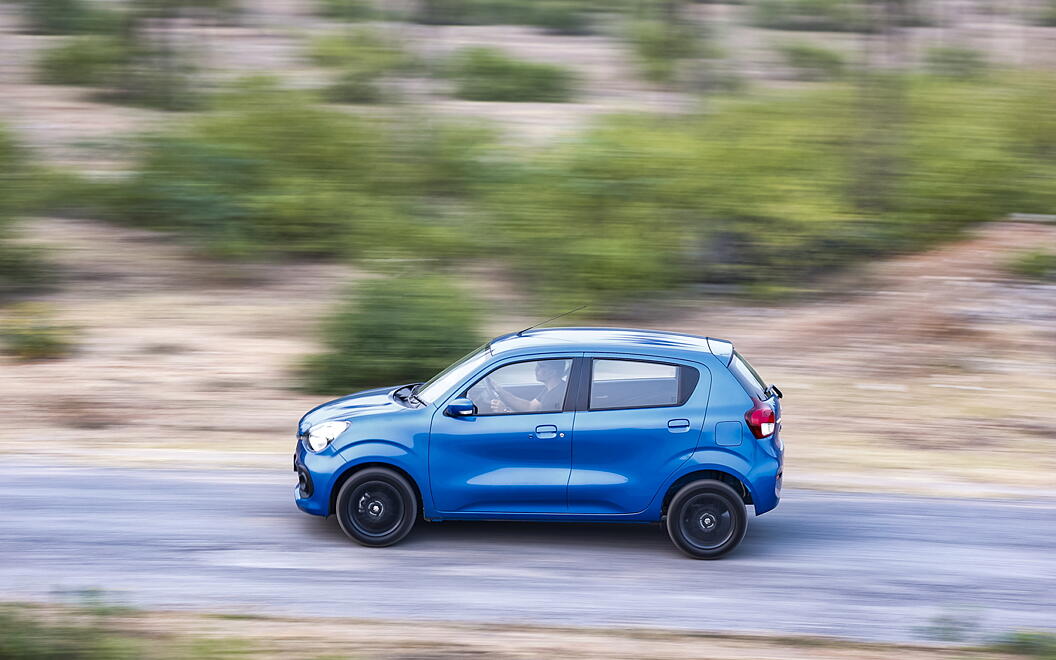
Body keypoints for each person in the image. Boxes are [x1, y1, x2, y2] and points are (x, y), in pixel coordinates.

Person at [487, 360, 567, 413]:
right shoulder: (552, 388)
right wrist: (500, 391)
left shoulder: (554, 398)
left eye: (541, 366)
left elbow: (533, 423)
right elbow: (530, 407)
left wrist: (504, 411)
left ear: (552, 372)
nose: (536, 369)